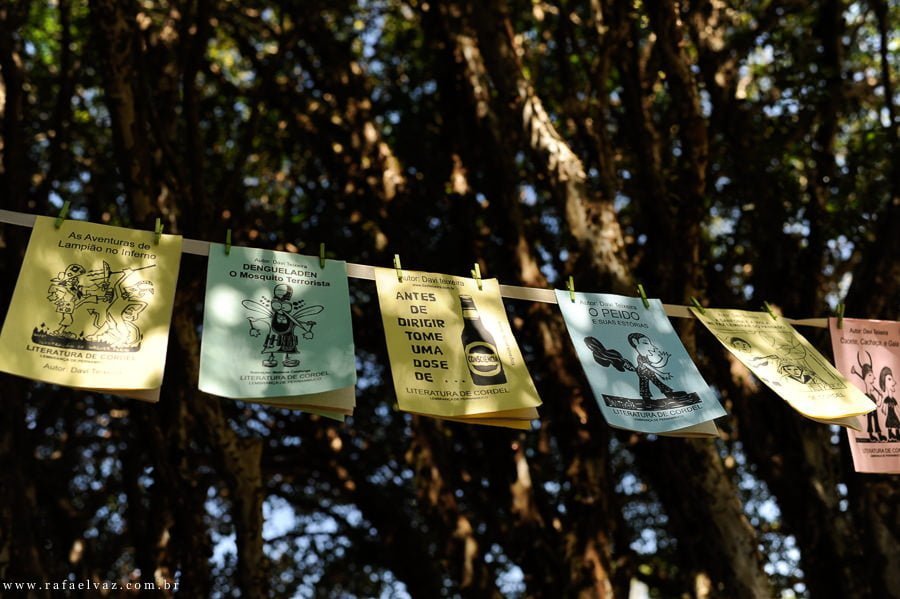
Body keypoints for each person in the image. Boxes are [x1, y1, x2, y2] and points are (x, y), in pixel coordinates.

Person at [880, 367, 898, 441]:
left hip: (893, 414)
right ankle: (890, 436)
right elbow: (883, 407)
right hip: (890, 415)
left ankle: (897, 435)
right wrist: (883, 410)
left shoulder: (893, 399)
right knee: (890, 425)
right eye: (889, 379)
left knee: (897, 424)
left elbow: (897, 407)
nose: (894, 382)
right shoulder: (886, 399)